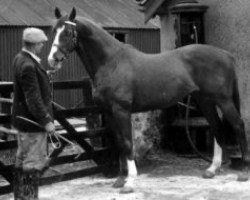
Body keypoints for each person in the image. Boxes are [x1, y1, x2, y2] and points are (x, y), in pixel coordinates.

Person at [12, 27, 55, 200]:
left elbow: (28, 87)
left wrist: (45, 76)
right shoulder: (29, 65)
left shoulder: (20, 59)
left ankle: (20, 197)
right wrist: (47, 121)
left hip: (22, 123)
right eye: (41, 44)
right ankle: (29, 198)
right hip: (33, 125)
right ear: (34, 45)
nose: (43, 46)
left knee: (21, 162)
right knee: (33, 165)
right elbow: (33, 99)